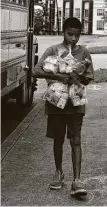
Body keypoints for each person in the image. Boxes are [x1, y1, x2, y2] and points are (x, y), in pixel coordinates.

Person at [32, 17, 94, 197]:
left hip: (75, 104)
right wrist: (60, 76)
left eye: (77, 35)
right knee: (58, 140)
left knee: (76, 140)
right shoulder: (52, 50)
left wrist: (80, 73)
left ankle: (77, 180)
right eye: (70, 34)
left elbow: (88, 79)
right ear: (63, 32)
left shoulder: (84, 53)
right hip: (56, 104)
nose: (74, 39)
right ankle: (59, 172)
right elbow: (36, 70)